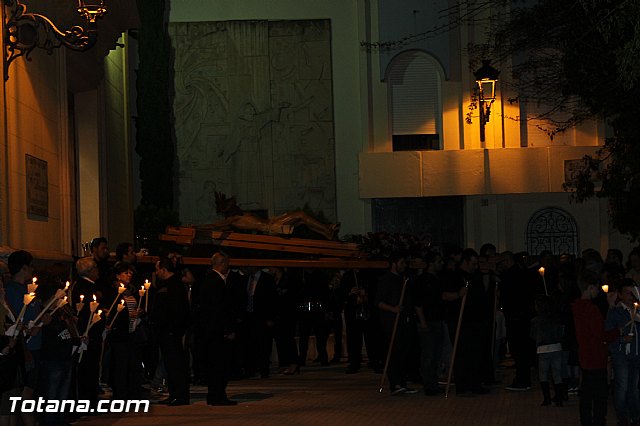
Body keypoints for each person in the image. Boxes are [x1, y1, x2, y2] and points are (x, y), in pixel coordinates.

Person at [571, 271, 619, 426]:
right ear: (590, 287)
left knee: (586, 394)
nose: (598, 290)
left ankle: (586, 421)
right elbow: (601, 334)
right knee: (599, 395)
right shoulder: (591, 309)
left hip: (585, 355)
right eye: (597, 287)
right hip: (596, 356)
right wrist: (619, 331)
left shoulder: (576, 306)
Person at [443, 248, 491, 396]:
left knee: (476, 354)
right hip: (460, 321)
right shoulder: (453, 276)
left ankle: (475, 384)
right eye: (473, 263)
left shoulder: (475, 276)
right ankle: (462, 386)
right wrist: (458, 294)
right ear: (465, 262)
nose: (476, 266)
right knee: (462, 354)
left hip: (477, 320)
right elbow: (444, 296)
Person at [196, 252, 240, 405]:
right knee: (219, 365)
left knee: (216, 365)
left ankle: (216, 394)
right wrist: (227, 330)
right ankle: (217, 395)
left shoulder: (210, 280)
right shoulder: (216, 282)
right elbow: (220, 309)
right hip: (217, 333)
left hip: (212, 331)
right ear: (222, 264)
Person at [150, 258, 190, 406]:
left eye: (157, 269)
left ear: (163, 269)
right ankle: (174, 393)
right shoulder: (169, 284)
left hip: (171, 331)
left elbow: (178, 310)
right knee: (170, 364)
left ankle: (180, 395)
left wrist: (174, 329)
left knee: (175, 365)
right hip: (167, 331)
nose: (156, 272)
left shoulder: (174, 285)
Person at [376, 253, 417, 395]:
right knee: (394, 352)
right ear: (394, 264)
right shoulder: (385, 280)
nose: (404, 265)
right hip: (391, 322)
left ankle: (402, 382)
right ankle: (396, 383)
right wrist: (393, 309)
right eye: (402, 263)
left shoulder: (403, 280)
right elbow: (379, 302)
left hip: (404, 321)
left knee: (404, 352)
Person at [605, 279, 640, 426]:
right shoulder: (615, 312)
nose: (630, 296)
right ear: (620, 294)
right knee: (622, 387)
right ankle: (623, 417)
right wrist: (621, 340)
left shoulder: (637, 310)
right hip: (621, 356)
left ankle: (635, 416)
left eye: (632, 292)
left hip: (636, 355)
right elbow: (608, 335)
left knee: (634, 387)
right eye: (626, 293)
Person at [413, 251, 446, 395]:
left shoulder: (438, 279)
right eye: (439, 261)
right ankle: (429, 385)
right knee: (428, 355)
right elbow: (417, 303)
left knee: (437, 354)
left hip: (438, 320)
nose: (442, 264)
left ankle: (434, 382)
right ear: (431, 263)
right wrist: (423, 322)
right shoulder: (422, 280)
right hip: (427, 321)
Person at [239, 266, 277, 378]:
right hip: (248, 316)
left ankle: (263, 369)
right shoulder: (245, 279)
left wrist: (270, 317)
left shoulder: (267, 279)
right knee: (248, 344)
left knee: (263, 344)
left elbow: (272, 298)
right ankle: (249, 369)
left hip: (261, 316)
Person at [530, 295, 564, 406]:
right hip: (556, 347)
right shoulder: (556, 319)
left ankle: (547, 399)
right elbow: (561, 332)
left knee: (543, 374)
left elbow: (533, 335)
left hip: (543, 348)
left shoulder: (536, 321)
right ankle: (559, 399)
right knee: (557, 374)